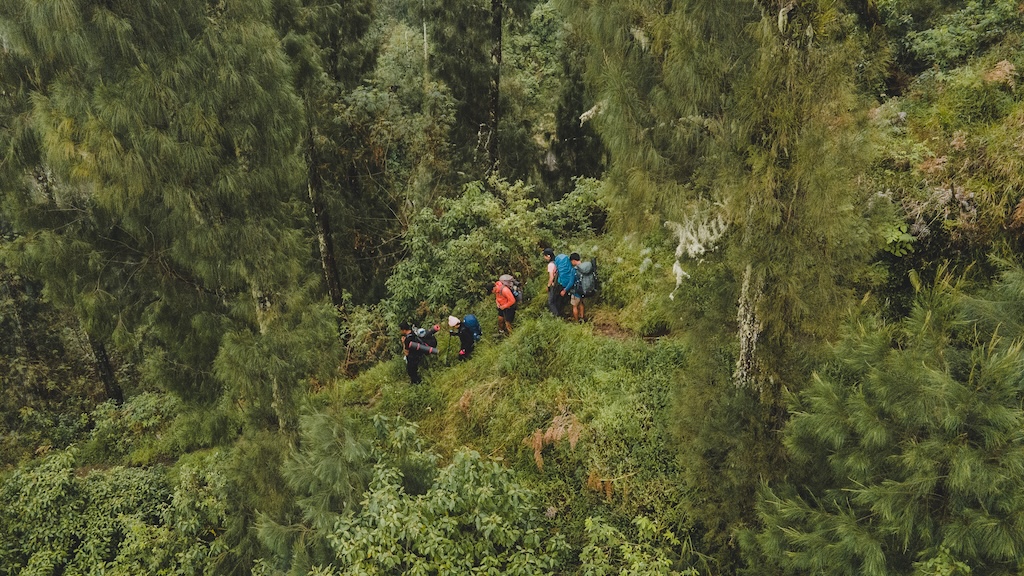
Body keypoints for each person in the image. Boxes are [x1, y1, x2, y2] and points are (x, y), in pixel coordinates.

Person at [569, 252, 588, 323]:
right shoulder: (584, 267)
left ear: (574, 260)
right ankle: (582, 318)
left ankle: (576, 322)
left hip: (576, 291)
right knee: (581, 303)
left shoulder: (574, 269)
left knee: (574, 306)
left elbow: (571, 282)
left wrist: (565, 290)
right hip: (584, 289)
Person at [543, 248, 560, 316]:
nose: (544, 258)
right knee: (556, 300)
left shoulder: (550, 265)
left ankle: (556, 316)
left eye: (545, 256)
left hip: (553, 285)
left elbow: (551, 277)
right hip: (559, 283)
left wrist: (548, 286)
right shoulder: (556, 262)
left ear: (548, 256)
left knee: (551, 302)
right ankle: (558, 314)